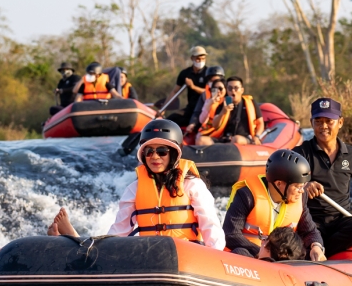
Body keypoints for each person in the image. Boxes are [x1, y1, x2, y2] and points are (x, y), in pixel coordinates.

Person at [48, 119, 225, 249]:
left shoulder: (192, 185)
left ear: (173, 154)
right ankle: (74, 239)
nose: (155, 157)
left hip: (189, 256)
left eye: (162, 151)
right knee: (110, 246)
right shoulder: (134, 189)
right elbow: (118, 232)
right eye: (149, 151)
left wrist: (215, 258)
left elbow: (210, 225)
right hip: (150, 256)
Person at [294, 97, 352, 260]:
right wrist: (304, 186)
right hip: (310, 221)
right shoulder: (300, 153)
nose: (323, 126)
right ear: (311, 123)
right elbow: (285, 186)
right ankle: (314, 248)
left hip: (341, 221)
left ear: (340, 122)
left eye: (329, 121)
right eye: (318, 121)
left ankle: (321, 252)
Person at [222, 149, 326, 261]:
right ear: (279, 183)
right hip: (251, 254)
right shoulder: (247, 195)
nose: (301, 191)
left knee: (309, 253)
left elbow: (310, 231)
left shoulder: (300, 198)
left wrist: (316, 246)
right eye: (297, 186)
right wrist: (263, 252)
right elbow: (230, 234)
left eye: (303, 186)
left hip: (281, 256)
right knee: (240, 253)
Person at [195, 76, 264, 145]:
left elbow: (260, 123)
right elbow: (215, 125)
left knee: (236, 139)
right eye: (230, 88)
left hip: (244, 138)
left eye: (236, 88)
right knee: (200, 140)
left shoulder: (250, 102)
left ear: (242, 90)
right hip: (225, 139)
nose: (233, 91)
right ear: (227, 91)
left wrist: (257, 136)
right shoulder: (223, 104)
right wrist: (223, 112)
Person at [160, 47, 211, 126]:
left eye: (203, 59)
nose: (200, 61)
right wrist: (164, 108)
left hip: (203, 109)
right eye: (198, 59)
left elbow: (209, 92)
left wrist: (193, 87)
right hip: (190, 108)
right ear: (192, 58)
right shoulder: (185, 73)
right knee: (170, 120)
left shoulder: (208, 73)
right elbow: (174, 92)